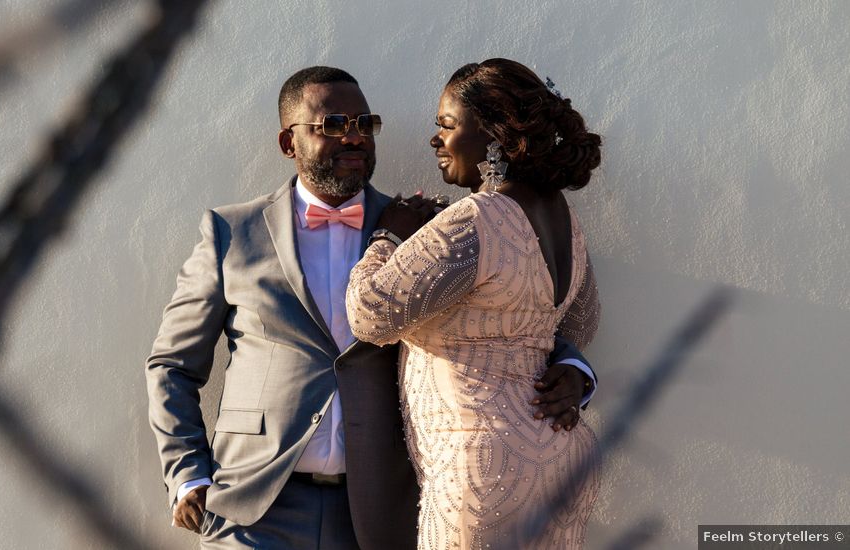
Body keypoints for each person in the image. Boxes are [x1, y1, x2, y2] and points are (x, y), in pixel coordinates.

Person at [146, 65, 597, 549]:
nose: (355, 138)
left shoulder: (424, 225)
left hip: (376, 514)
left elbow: (511, 314)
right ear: (288, 142)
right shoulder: (231, 233)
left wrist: (571, 367)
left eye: (365, 124)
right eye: (334, 126)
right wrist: (187, 475)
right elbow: (172, 364)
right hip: (255, 506)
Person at [346, 58, 603, 549]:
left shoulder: (475, 220)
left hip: (488, 467)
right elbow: (582, 321)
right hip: (563, 456)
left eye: (445, 125)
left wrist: (388, 235)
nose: (434, 140)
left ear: (493, 134)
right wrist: (572, 371)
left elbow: (369, 314)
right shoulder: (566, 222)